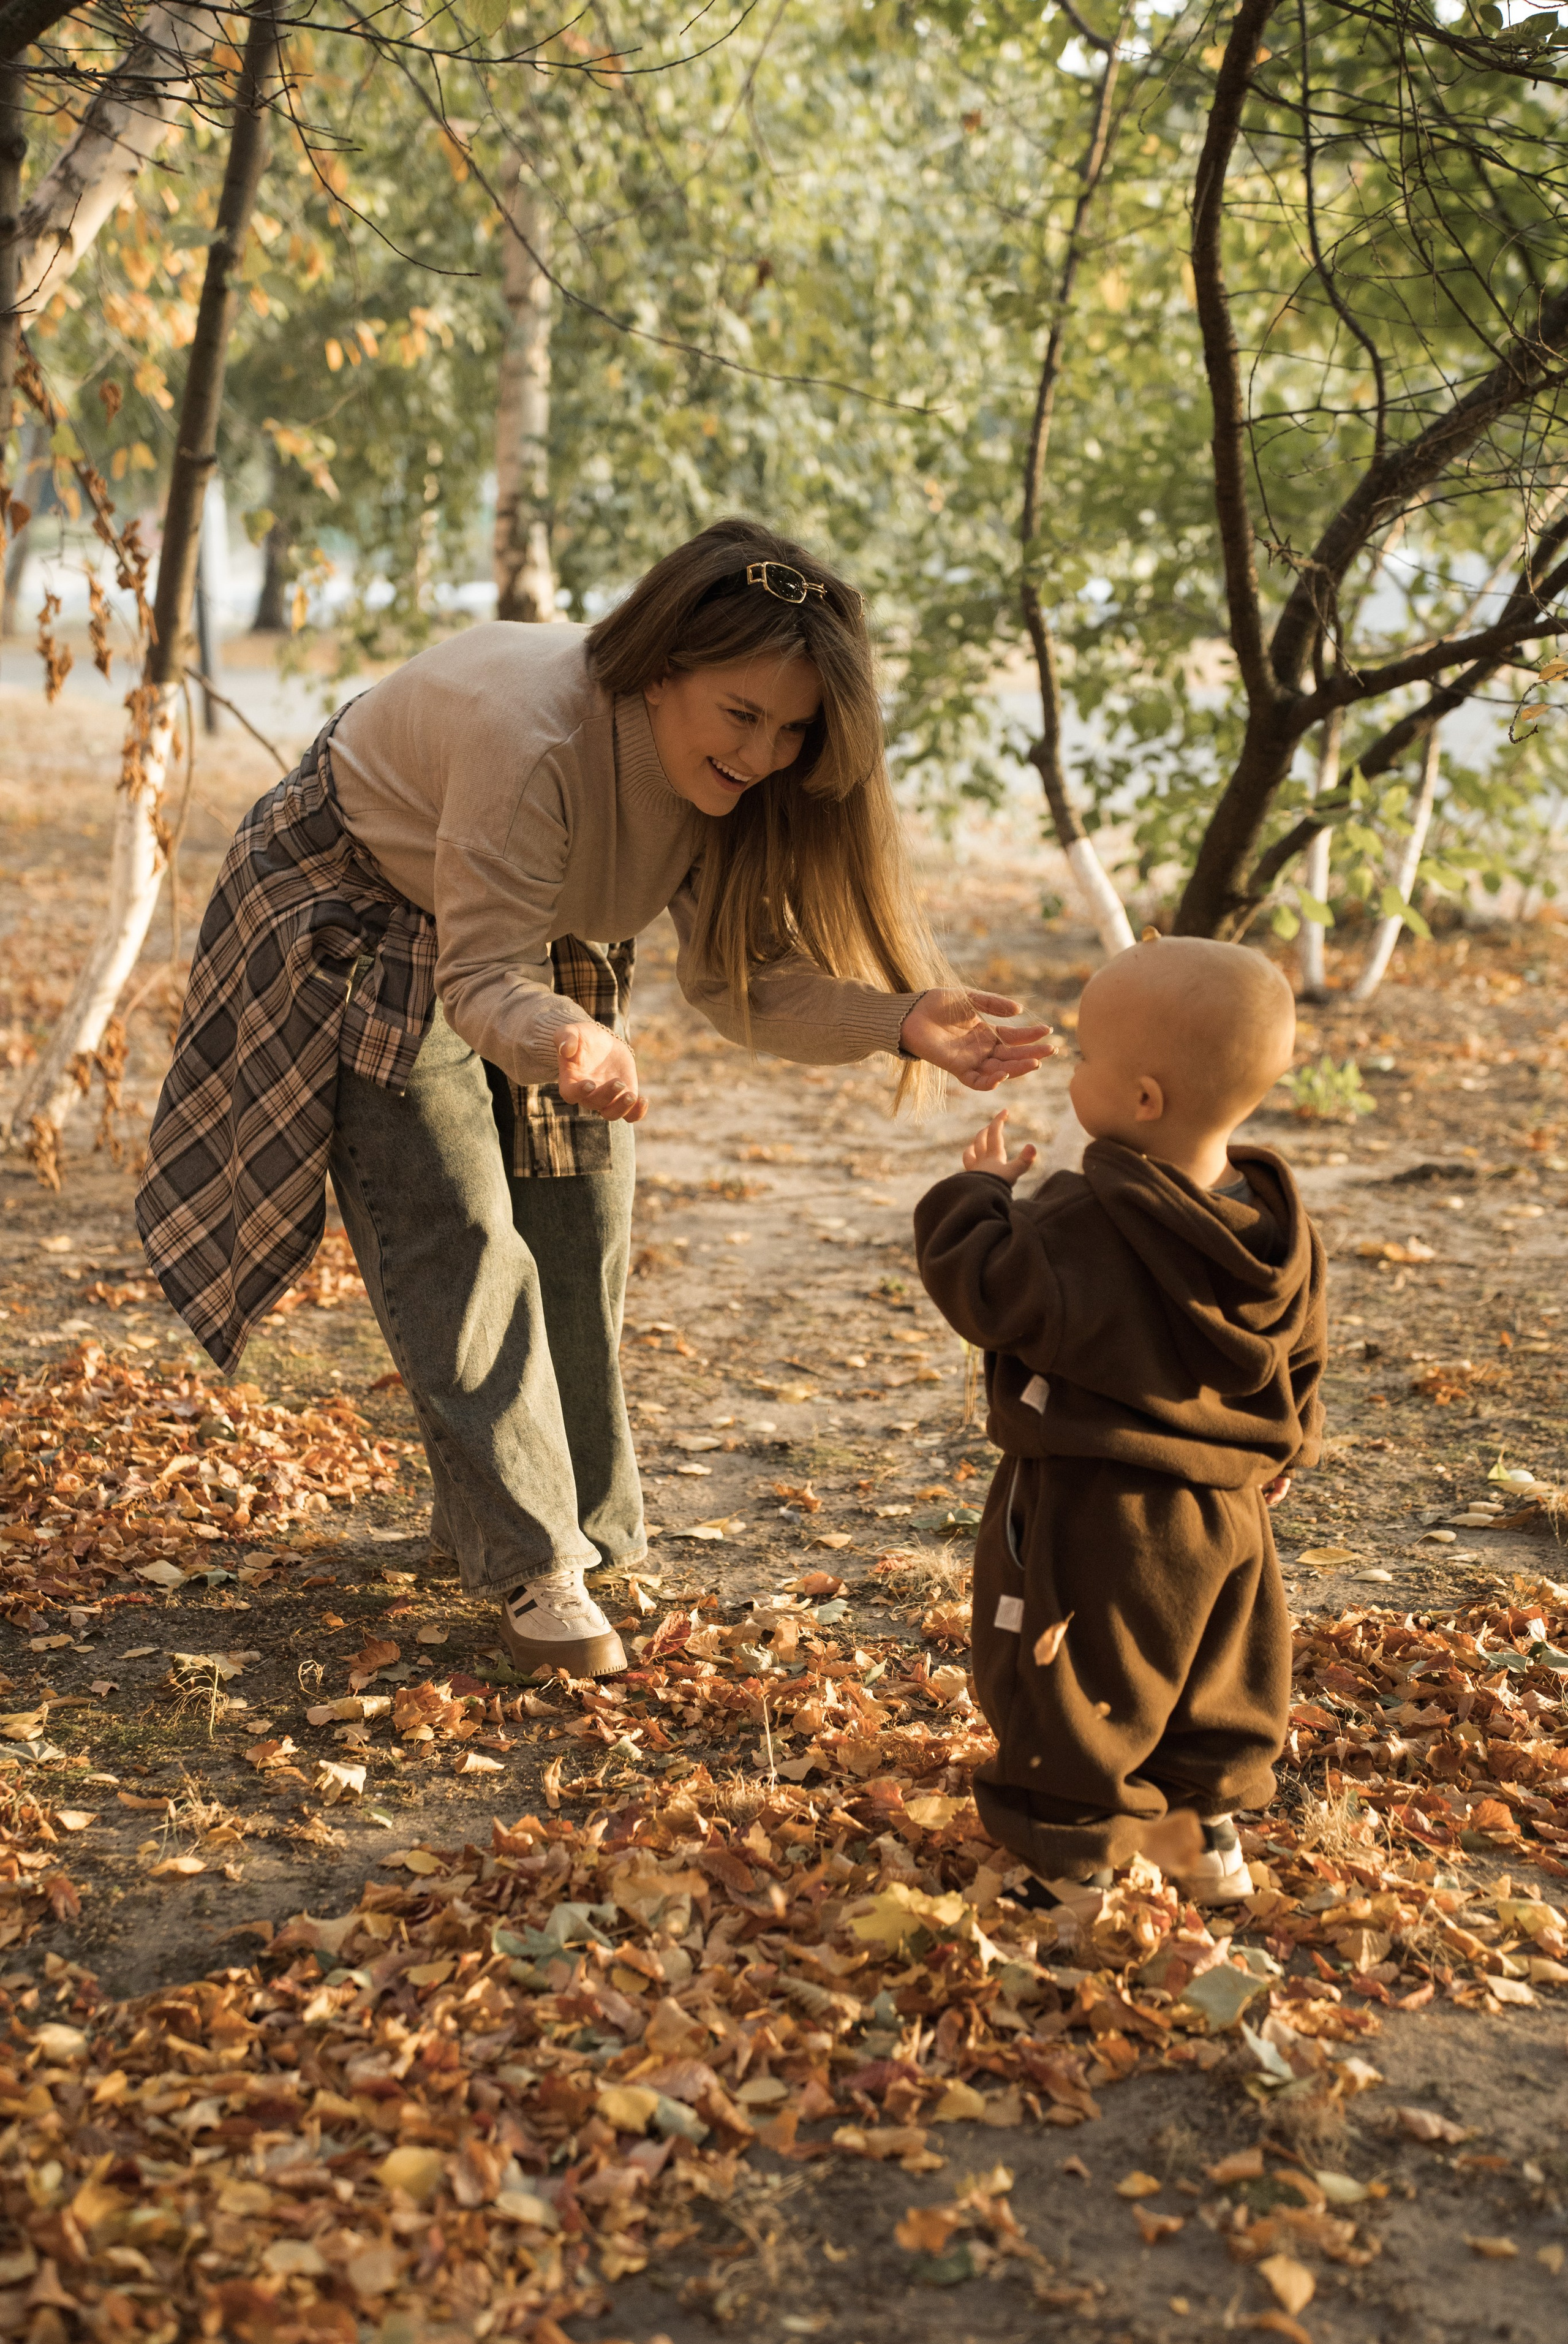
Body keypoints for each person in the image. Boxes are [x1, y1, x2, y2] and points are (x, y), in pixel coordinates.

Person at [136, 519, 1051, 1677]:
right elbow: (477, 977)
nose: (765, 754)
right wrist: (566, 1033)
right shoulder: (536, 741)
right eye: (741, 715)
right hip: (364, 905)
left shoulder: (725, 777)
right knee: (456, 1229)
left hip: (527, 924)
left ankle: (577, 1528)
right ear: (661, 669)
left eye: (792, 730)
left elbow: (737, 983)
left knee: (581, 1227)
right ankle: (535, 1564)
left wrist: (900, 1019)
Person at [912, 936, 1325, 1904]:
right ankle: (1203, 1847)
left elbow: (986, 1290)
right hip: (1230, 1510)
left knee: (1076, 1685)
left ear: (1143, 1099)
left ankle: (1071, 1873)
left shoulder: (1082, 1223)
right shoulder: (1275, 1231)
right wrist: (1288, 1444)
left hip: (1098, 1509)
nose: (1070, 1068)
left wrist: (976, 1195)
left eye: (1085, 1055)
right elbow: (1300, 1349)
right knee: (1212, 1677)